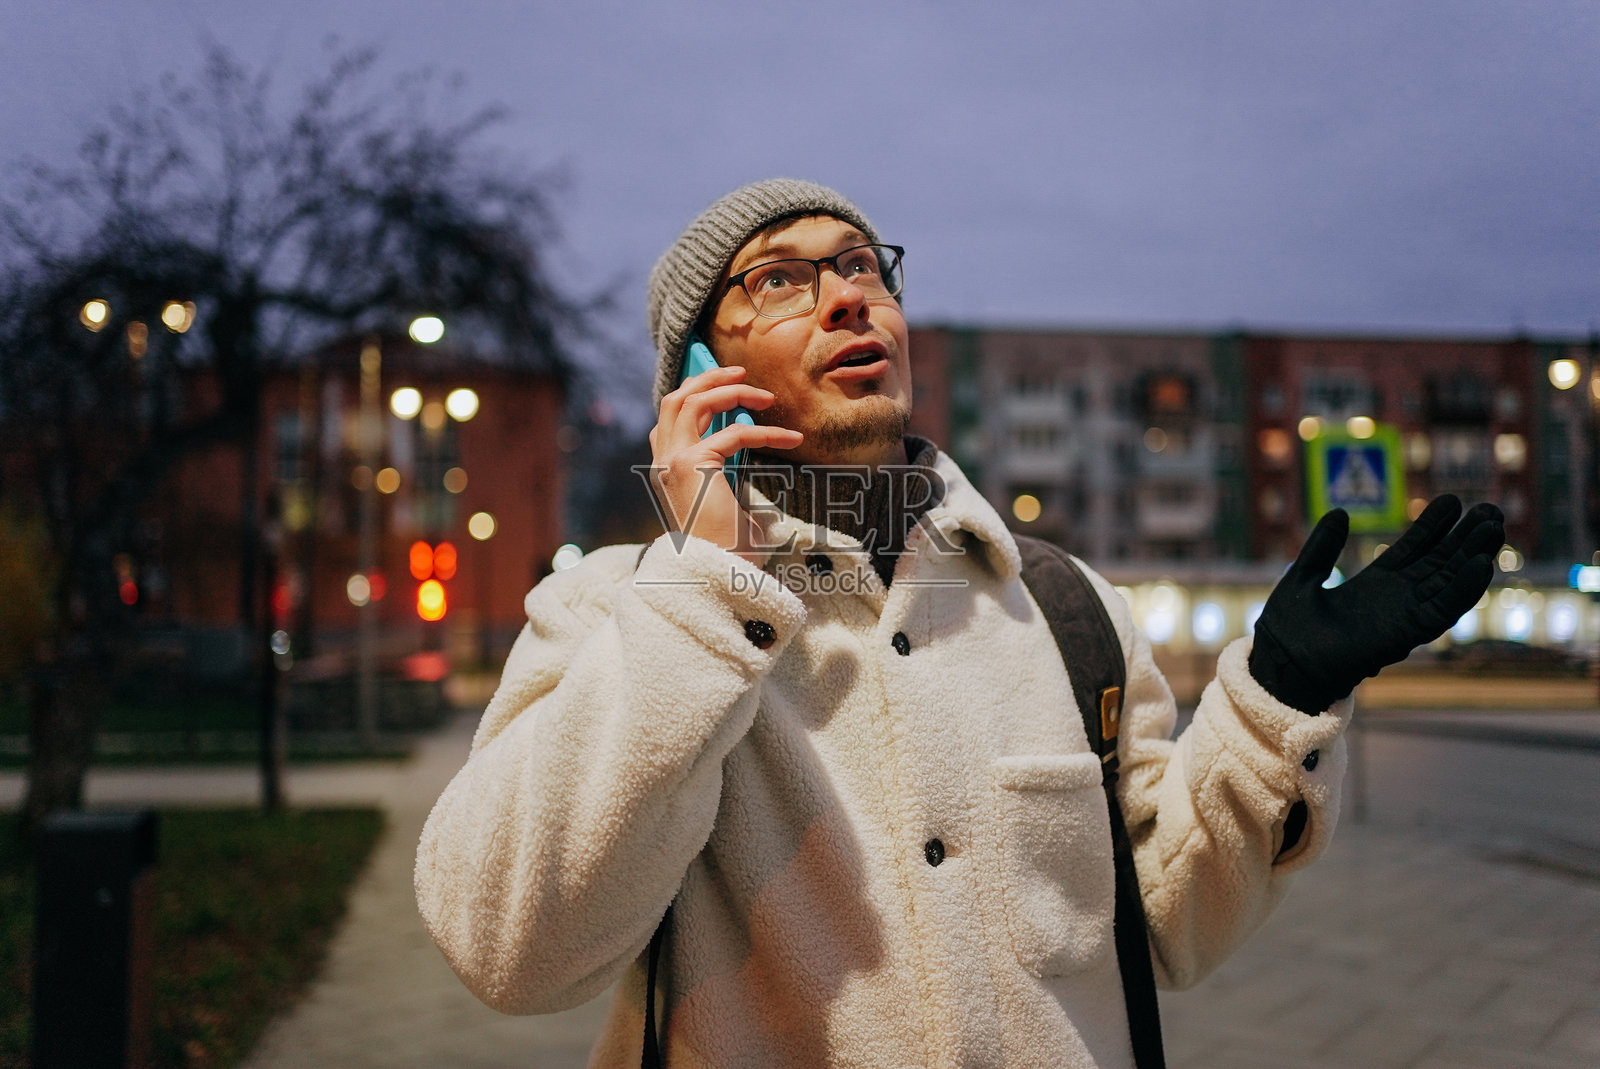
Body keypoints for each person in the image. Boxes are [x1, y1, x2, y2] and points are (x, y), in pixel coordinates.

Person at [415, 179, 1504, 1068]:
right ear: (702, 374)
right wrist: (705, 576)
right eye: (782, 279)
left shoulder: (1063, 606)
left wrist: (1277, 701)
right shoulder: (619, 609)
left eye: (858, 265)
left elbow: (1169, 924)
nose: (847, 296)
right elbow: (514, 953)